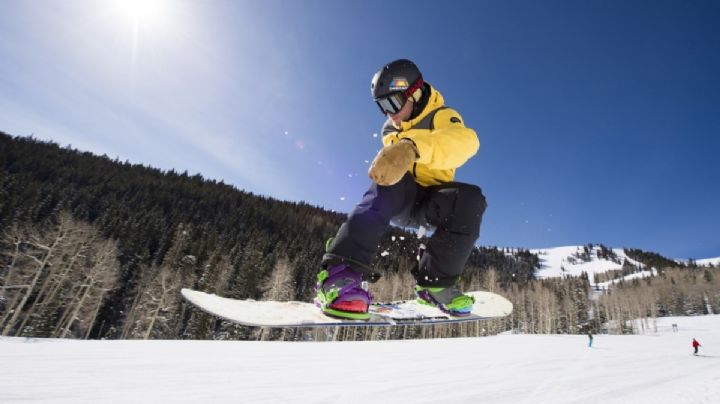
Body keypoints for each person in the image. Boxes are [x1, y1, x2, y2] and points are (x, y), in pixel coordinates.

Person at [315, 59, 486, 320]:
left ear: (415, 93)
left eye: (393, 103)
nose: (389, 114)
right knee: (390, 184)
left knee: (471, 200)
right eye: (382, 107)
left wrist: (411, 147)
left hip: (433, 202)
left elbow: (465, 142)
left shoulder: (441, 115)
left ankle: (435, 284)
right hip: (401, 198)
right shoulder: (389, 130)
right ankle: (341, 274)